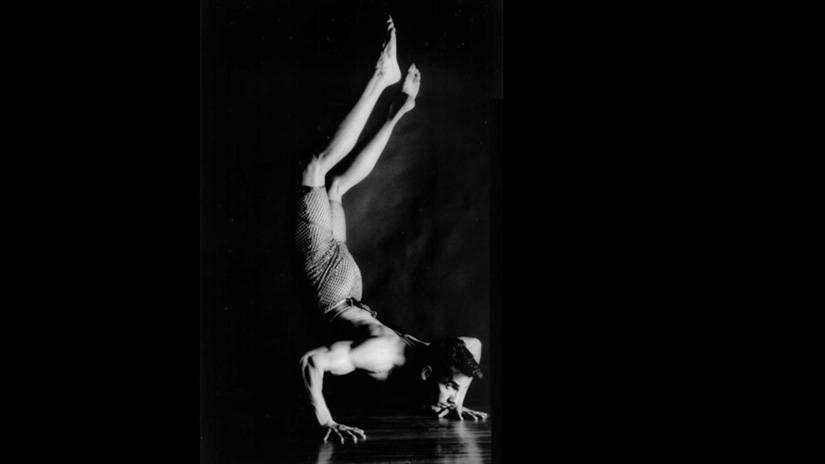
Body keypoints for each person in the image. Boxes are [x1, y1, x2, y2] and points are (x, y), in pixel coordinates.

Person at [295, 17, 488, 444]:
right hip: (332, 289)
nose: (450, 396)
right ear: (426, 370)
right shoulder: (379, 354)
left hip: (349, 287)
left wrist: (455, 397)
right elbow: (312, 361)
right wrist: (325, 419)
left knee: (337, 187)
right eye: (450, 387)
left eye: (452, 388)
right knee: (317, 171)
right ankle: (382, 80)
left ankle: (400, 108)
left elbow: (471, 347)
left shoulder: (436, 356)